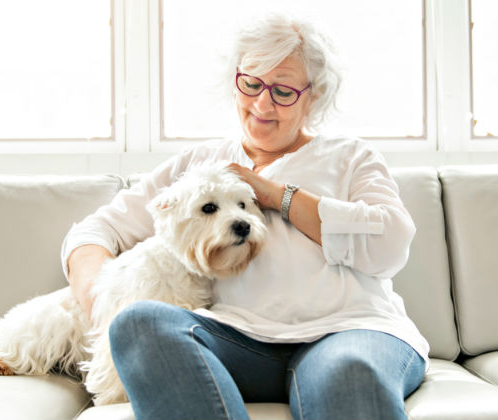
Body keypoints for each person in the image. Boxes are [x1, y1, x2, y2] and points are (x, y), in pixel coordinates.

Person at [62, 12, 429, 420]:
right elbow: (96, 232)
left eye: (283, 91)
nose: (261, 104)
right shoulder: (200, 163)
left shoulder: (350, 157)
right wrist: (101, 300)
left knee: (347, 372)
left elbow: (391, 244)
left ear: (314, 95)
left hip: (350, 330)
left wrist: (275, 195)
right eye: (251, 84)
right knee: (138, 323)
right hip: (234, 339)